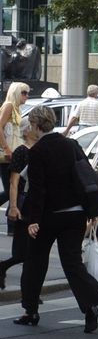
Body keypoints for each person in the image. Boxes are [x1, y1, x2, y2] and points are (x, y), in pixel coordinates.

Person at [16, 105, 98, 332]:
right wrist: (89, 210)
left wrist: (34, 220)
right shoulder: (72, 145)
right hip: (76, 214)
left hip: (49, 216)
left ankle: (31, 310)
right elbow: (85, 177)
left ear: (37, 125)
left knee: (35, 261)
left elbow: (38, 190)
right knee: (72, 264)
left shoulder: (37, 151)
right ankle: (90, 307)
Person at [0, 113, 38, 290]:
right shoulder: (21, 151)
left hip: (39, 204)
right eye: (33, 125)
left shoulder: (41, 148)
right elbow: (13, 182)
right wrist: (13, 207)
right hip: (24, 204)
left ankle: (30, 294)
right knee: (22, 253)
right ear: (27, 130)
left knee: (32, 253)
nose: (36, 128)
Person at [0, 83, 29, 210]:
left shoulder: (17, 108)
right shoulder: (9, 106)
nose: (26, 96)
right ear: (16, 93)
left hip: (15, 151)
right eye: (23, 93)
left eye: (27, 93)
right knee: (11, 188)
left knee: (15, 187)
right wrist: (6, 148)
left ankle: (14, 213)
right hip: (8, 153)